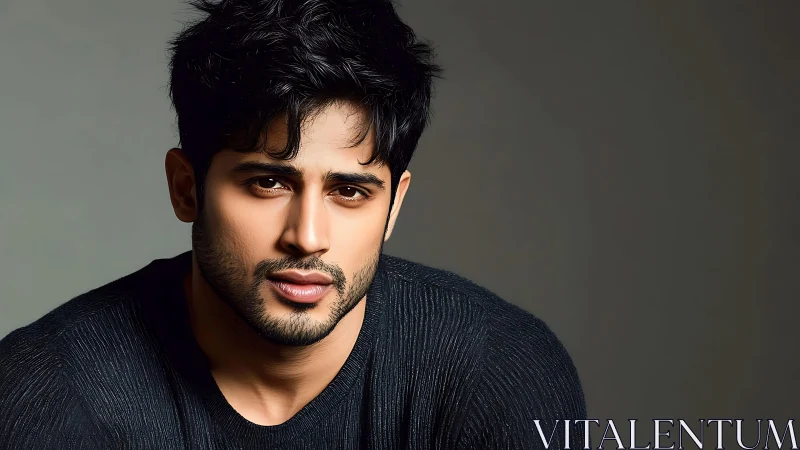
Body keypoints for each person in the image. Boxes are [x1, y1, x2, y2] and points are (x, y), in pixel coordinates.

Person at [0, 0, 587, 448]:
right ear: (186, 188)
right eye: (268, 183)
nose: (307, 236)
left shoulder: (496, 372)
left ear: (394, 208)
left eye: (350, 191)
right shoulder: (49, 391)